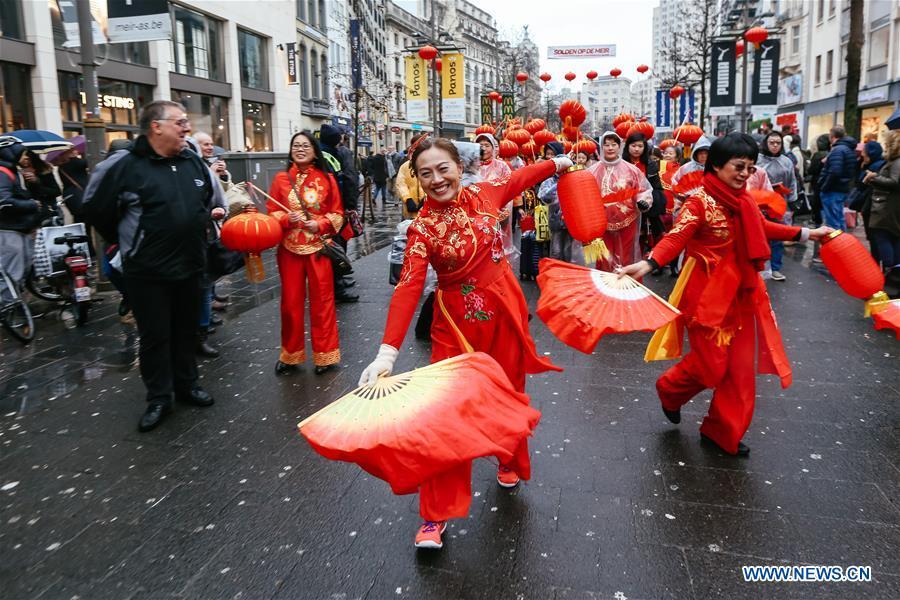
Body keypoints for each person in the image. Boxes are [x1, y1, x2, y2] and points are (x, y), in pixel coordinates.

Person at [357, 138, 570, 549]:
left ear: (459, 166)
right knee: (443, 417)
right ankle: (435, 514)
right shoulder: (420, 229)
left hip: (505, 314)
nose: (437, 180)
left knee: (509, 392)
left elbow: (521, 176)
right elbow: (407, 288)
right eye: (425, 173)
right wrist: (387, 351)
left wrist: (557, 163)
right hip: (455, 324)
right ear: (416, 180)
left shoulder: (485, 192)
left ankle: (509, 457)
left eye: (443, 169)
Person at [619, 133, 832, 456]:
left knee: (740, 371)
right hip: (705, 297)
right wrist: (649, 263)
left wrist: (806, 233)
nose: (745, 174)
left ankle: (723, 431)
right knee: (711, 367)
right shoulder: (699, 201)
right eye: (739, 166)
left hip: (742, 293)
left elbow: (762, 228)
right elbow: (677, 236)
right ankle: (670, 389)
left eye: (749, 167)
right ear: (716, 165)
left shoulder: (744, 200)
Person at [82, 100, 217, 432]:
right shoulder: (126, 165)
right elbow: (95, 209)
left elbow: (205, 203)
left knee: (186, 332)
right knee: (155, 336)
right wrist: (131, 241)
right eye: (180, 122)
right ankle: (159, 397)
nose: (187, 128)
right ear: (156, 126)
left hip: (189, 265)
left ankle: (188, 385)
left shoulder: (191, 162)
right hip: (147, 271)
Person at [267, 132, 344, 376]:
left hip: (318, 249)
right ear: (290, 151)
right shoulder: (280, 179)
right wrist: (285, 218)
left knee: (323, 303)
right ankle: (290, 355)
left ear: (314, 150)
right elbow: (271, 212)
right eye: (296, 146)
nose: (300, 149)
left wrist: (320, 225)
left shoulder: (326, 178)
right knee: (290, 304)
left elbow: (338, 214)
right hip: (289, 249)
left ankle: (325, 355)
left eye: (305, 145)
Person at [185, 135, 228, 357]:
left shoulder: (201, 171)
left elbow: (222, 200)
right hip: (174, 246)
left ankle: (200, 332)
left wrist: (215, 212)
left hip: (203, 238)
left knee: (203, 284)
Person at [588, 131, 652, 272]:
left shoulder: (632, 170)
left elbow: (643, 190)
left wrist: (644, 202)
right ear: (601, 147)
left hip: (628, 222)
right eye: (606, 145)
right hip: (601, 224)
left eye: (614, 144)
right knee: (603, 259)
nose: (610, 148)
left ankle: (624, 290)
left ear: (620, 146)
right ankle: (604, 291)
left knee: (626, 259)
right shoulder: (591, 171)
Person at [0, 136, 45, 303]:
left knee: (20, 271)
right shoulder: (3, 173)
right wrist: (31, 205)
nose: (27, 157)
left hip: (18, 228)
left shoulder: (12, 172)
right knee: (12, 272)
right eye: (23, 154)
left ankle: (12, 307)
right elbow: (4, 202)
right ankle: (7, 309)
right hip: (9, 230)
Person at [319, 124, 360, 304]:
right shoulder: (339, 154)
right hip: (335, 209)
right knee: (335, 246)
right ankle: (337, 286)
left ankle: (338, 281)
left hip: (326, 209)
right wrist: (350, 206)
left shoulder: (321, 153)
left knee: (333, 245)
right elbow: (348, 179)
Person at [757, 131, 798, 282]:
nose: (775, 146)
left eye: (778, 143)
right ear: (766, 143)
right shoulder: (758, 160)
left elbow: (792, 181)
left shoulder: (786, 161)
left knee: (778, 236)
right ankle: (760, 267)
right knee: (760, 235)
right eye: (772, 142)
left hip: (780, 203)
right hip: (760, 203)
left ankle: (775, 268)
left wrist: (792, 200)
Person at [864, 130, 900, 289]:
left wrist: (873, 177)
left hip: (886, 209)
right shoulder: (894, 161)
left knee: (882, 237)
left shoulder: (897, 162)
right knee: (891, 239)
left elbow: (893, 182)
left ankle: (890, 274)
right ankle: (892, 276)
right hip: (890, 208)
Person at [538, 141, 580, 263]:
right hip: (556, 222)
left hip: (572, 222)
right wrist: (559, 183)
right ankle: (555, 275)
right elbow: (545, 197)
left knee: (570, 253)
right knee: (556, 252)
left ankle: (569, 276)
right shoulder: (550, 181)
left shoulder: (576, 179)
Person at [623, 132, 666, 250]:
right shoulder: (621, 164)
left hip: (646, 208)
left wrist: (647, 201)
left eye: (640, 146)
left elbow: (657, 187)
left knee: (646, 240)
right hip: (626, 207)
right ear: (627, 146)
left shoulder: (650, 165)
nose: (637, 149)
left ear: (645, 147)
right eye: (633, 146)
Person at [819, 125, 858, 230]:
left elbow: (835, 171)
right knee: (839, 218)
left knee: (833, 222)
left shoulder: (838, 150)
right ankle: (842, 242)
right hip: (842, 188)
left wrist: (825, 187)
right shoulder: (848, 149)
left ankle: (837, 243)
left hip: (833, 189)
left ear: (832, 136)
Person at [395, 134, 427, 220]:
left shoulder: (430, 164)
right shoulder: (406, 166)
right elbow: (401, 184)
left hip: (428, 210)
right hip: (410, 211)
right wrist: (407, 199)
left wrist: (426, 197)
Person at [807, 134, 831, 229]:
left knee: (816, 203)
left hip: (817, 181)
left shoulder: (818, 155)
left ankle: (818, 223)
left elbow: (811, 170)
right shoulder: (830, 153)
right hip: (826, 182)